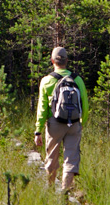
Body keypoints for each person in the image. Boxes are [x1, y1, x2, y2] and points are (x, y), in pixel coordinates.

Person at [33, 47, 89, 191]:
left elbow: (42, 108)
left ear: (52, 61)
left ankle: (51, 189)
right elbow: (85, 105)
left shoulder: (46, 81)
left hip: (54, 124)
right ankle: (64, 191)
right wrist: (82, 123)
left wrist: (38, 131)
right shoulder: (77, 80)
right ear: (66, 61)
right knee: (71, 158)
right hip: (74, 124)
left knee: (52, 157)